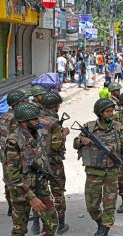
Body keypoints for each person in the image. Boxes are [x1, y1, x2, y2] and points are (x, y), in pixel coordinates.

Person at [73, 98, 123, 236]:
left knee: (109, 204)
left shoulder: (117, 128)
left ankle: (105, 229)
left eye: (112, 111)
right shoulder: (89, 127)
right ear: (100, 113)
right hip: (94, 172)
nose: (111, 113)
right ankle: (100, 222)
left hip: (112, 172)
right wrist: (82, 140)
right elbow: (75, 143)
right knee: (91, 205)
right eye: (107, 111)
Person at [5, 103, 58, 236]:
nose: (38, 121)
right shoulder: (14, 141)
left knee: (52, 222)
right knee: (19, 230)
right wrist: (31, 198)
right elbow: (14, 175)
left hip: (40, 187)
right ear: (24, 122)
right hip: (22, 192)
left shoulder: (35, 135)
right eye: (35, 119)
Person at [38, 91, 70, 234]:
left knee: (40, 192)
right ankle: (61, 224)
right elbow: (56, 146)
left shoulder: (35, 119)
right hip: (54, 163)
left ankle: (37, 224)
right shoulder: (54, 123)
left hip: (39, 163)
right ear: (55, 106)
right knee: (58, 191)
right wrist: (64, 133)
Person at [0, 90, 28, 217]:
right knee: (16, 178)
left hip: (3, 151)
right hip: (13, 152)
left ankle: (10, 208)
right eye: (23, 100)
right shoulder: (16, 117)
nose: (25, 102)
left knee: (7, 179)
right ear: (17, 104)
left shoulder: (5, 115)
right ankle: (17, 208)